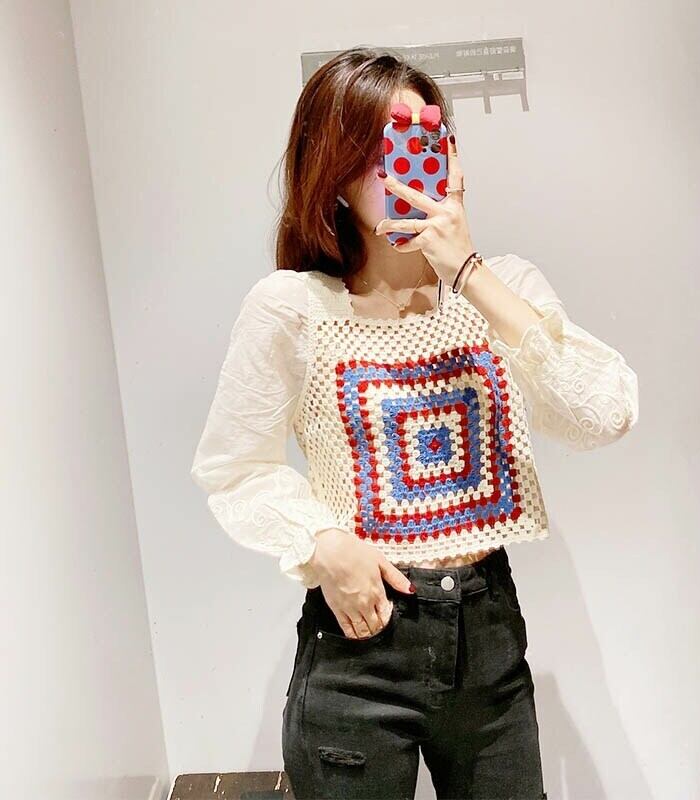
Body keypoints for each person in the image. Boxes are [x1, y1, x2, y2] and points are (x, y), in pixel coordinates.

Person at [190, 47, 639, 800]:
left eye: (419, 141)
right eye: (373, 152)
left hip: (488, 636)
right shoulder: (294, 309)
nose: (399, 170)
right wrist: (324, 544)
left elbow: (605, 413)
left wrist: (467, 272)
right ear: (333, 174)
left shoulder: (504, 289)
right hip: (359, 641)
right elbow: (234, 467)